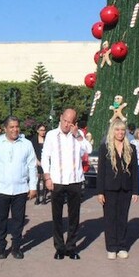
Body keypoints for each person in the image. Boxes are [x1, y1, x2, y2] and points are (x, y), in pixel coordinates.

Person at [41, 108, 93, 260]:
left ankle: (71, 247)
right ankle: (59, 247)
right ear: (60, 118)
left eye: (70, 122)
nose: (66, 124)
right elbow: (45, 157)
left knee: (74, 216)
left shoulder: (78, 135)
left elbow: (88, 149)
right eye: (65, 120)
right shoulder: (51, 135)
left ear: (74, 123)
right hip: (57, 180)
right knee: (57, 216)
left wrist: (77, 135)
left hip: (75, 180)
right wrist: (47, 177)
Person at [0, 116, 37, 259]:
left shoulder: (26, 144)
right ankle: (1, 247)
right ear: (5, 128)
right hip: (1, 189)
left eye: (17, 126)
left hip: (20, 190)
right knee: (1, 221)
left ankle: (16, 247)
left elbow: (32, 166)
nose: (15, 129)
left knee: (18, 221)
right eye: (12, 127)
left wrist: (33, 186)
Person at [96, 119, 139, 260]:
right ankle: (111, 247)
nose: (120, 133)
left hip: (125, 189)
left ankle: (121, 246)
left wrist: (135, 191)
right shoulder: (105, 147)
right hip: (109, 188)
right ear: (112, 131)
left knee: (122, 218)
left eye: (122, 130)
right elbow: (101, 171)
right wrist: (100, 192)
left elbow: (135, 171)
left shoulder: (131, 148)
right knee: (110, 219)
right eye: (117, 130)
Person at [30, 124, 48, 204]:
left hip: (45, 162)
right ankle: (37, 197)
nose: (43, 132)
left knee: (44, 179)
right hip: (37, 161)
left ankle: (44, 197)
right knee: (37, 179)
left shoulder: (47, 139)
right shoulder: (34, 140)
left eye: (44, 130)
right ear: (37, 131)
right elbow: (32, 152)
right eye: (41, 130)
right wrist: (37, 161)